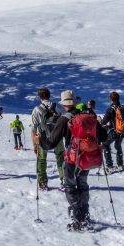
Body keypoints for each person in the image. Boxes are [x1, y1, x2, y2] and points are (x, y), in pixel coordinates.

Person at [42, 89, 108, 230]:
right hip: (86, 157)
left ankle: (77, 218)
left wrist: (40, 138)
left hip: (72, 158)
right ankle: (85, 214)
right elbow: (103, 136)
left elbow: (51, 143)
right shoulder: (88, 116)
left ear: (64, 104)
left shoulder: (65, 118)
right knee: (83, 184)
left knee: (70, 185)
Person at [30, 87, 64, 190]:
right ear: (49, 95)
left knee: (41, 160)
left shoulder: (37, 109)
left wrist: (35, 144)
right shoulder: (57, 107)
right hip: (57, 137)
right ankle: (64, 181)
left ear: (39, 97)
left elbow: (33, 128)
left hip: (43, 138)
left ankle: (42, 183)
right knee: (60, 158)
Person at [101, 90, 124, 173]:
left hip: (114, 132)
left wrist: (103, 124)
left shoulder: (110, 109)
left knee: (105, 144)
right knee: (118, 146)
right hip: (123, 132)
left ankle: (110, 166)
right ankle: (120, 165)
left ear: (111, 99)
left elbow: (104, 122)